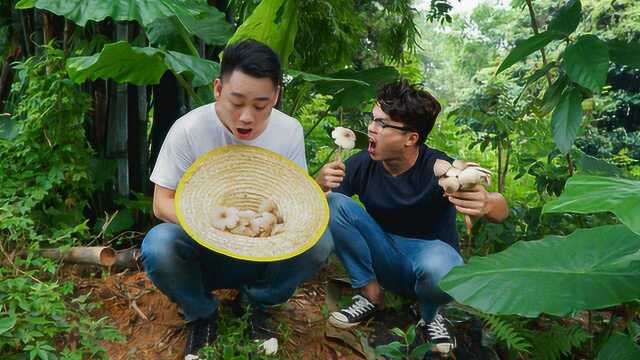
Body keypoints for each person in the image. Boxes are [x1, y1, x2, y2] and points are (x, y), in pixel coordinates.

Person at [141, 39, 332, 359]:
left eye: (260, 105)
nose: (246, 117)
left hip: (263, 250)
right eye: (236, 101)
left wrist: (311, 192)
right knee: (158, 245)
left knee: (320, 243)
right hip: (204, 247)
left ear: (276, 97)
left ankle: (257, 301)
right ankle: (201, 313)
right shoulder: (189, 129)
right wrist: (208, 223)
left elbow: (293, 200)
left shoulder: (289, 131)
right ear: (217, 89)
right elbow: (161, 203)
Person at [316, 80, 508, 354]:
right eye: (373, 120)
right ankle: (370, 294)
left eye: (382, 124)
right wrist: (319, 182)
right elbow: (321, 204)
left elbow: (501, 209)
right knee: (333, 202)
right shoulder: (363, 163)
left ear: (411, 138)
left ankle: (431, 312)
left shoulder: (439, 168)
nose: (371, 128)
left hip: (430, 265)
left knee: (443, 269)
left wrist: (487, 202)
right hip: (382, 257)